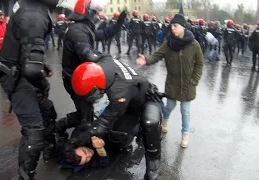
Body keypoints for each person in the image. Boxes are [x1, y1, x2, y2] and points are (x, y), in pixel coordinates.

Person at [59, 56, 164, 180]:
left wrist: (73, 142)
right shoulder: (102, 62)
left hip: (149, 98)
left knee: (149, 123)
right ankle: (138, 128)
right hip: (133, 99)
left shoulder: (118, 92)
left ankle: (153, 168)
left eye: (85, 153)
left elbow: (102, 124)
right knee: (120, 136)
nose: (89, 155)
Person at [0, 0, 62, 179]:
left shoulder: (34, 8)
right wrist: (44, 85)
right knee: (34, 130)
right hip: (17, 77)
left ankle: (50, 150)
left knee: (47, 111)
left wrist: (41, 62)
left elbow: (25, 44)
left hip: (21, 70)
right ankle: (25, 176)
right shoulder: (34, 13)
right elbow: (32, 69)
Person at [59, 0, 127, 139]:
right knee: (85, 117)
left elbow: (104, 34)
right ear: (87, 12)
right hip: (74, 79)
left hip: (80, 77)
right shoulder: (78, 31)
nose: (96, 15)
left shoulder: (84, 28)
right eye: (95, 12)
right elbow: (87, 53)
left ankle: (64, 126)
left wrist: (118, 23)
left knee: (87, 112)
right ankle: (63, 129)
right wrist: (107, 58)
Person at [136, 14, 203, 148]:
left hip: (187, 84)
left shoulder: (194, 44)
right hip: (172, 83)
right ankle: (164, 121)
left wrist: (194, 80)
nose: (172, 28)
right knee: (169, 106)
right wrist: (147, 60)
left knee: (185, 111)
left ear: (183, 27)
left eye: (175, 26)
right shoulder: (169, 43)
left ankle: (184, 134)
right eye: (172, 26)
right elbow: (157, 55)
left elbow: (199, 63)